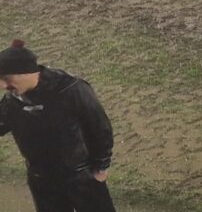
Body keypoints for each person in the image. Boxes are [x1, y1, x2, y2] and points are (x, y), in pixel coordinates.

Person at [0, 39, 117, 212]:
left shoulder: (71, 89)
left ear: (25, 72)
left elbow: (100, 128)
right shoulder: (12, 101)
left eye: (6, 78)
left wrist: (100, 168)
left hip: (81, 178)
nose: (3, 86)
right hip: (42, 180)